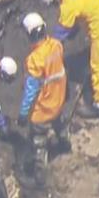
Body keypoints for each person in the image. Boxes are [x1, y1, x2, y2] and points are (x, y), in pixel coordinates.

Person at [17, 12, 68, 185]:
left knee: (38, 143)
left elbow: (30, 91)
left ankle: (39, 178)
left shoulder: (34, 60)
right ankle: (64, 145)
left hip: (43, 110)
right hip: (59, 99)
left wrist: (23, 114)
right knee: (60, 124)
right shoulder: (56, 45)